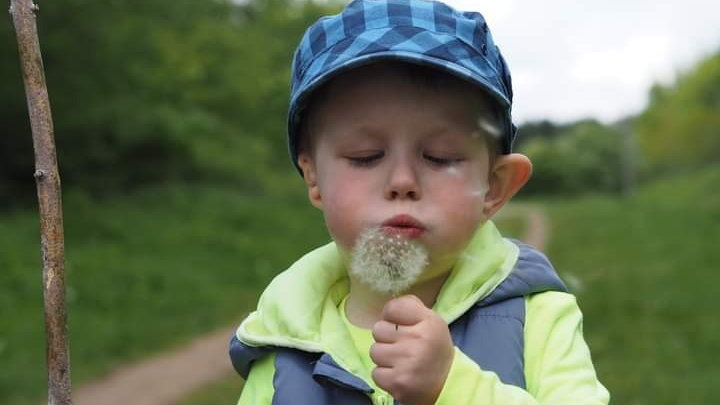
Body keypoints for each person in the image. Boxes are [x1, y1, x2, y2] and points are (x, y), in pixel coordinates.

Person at [229, 1, 610, 404]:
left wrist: (454, 387)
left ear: (493, 188)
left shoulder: (536, 317)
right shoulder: (280, 347)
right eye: (365, 156)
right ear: (314, 177)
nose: (402, 182)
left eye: (441, 157)